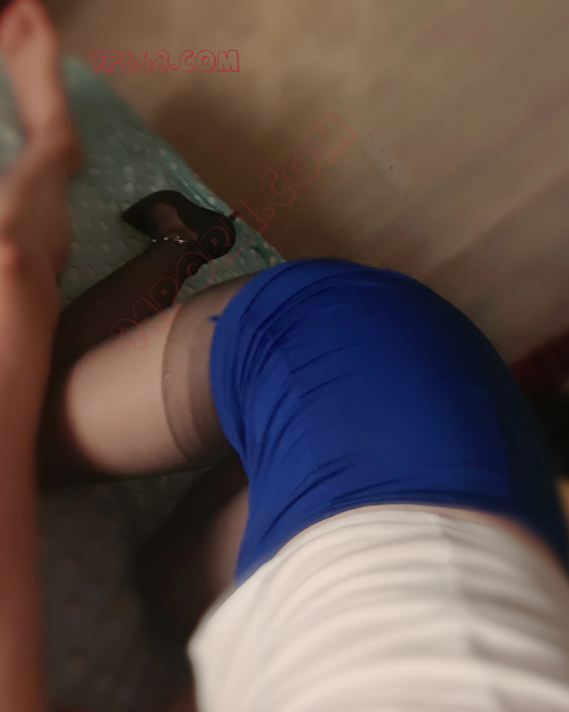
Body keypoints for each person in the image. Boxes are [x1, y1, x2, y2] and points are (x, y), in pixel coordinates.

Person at [2, 2, 569, 712]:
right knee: (30, 427)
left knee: (162, 595)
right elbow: (11, 269)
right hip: (365, 368)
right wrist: (48, 139)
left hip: (455, 517)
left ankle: (192, 245)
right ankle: (84, 167)